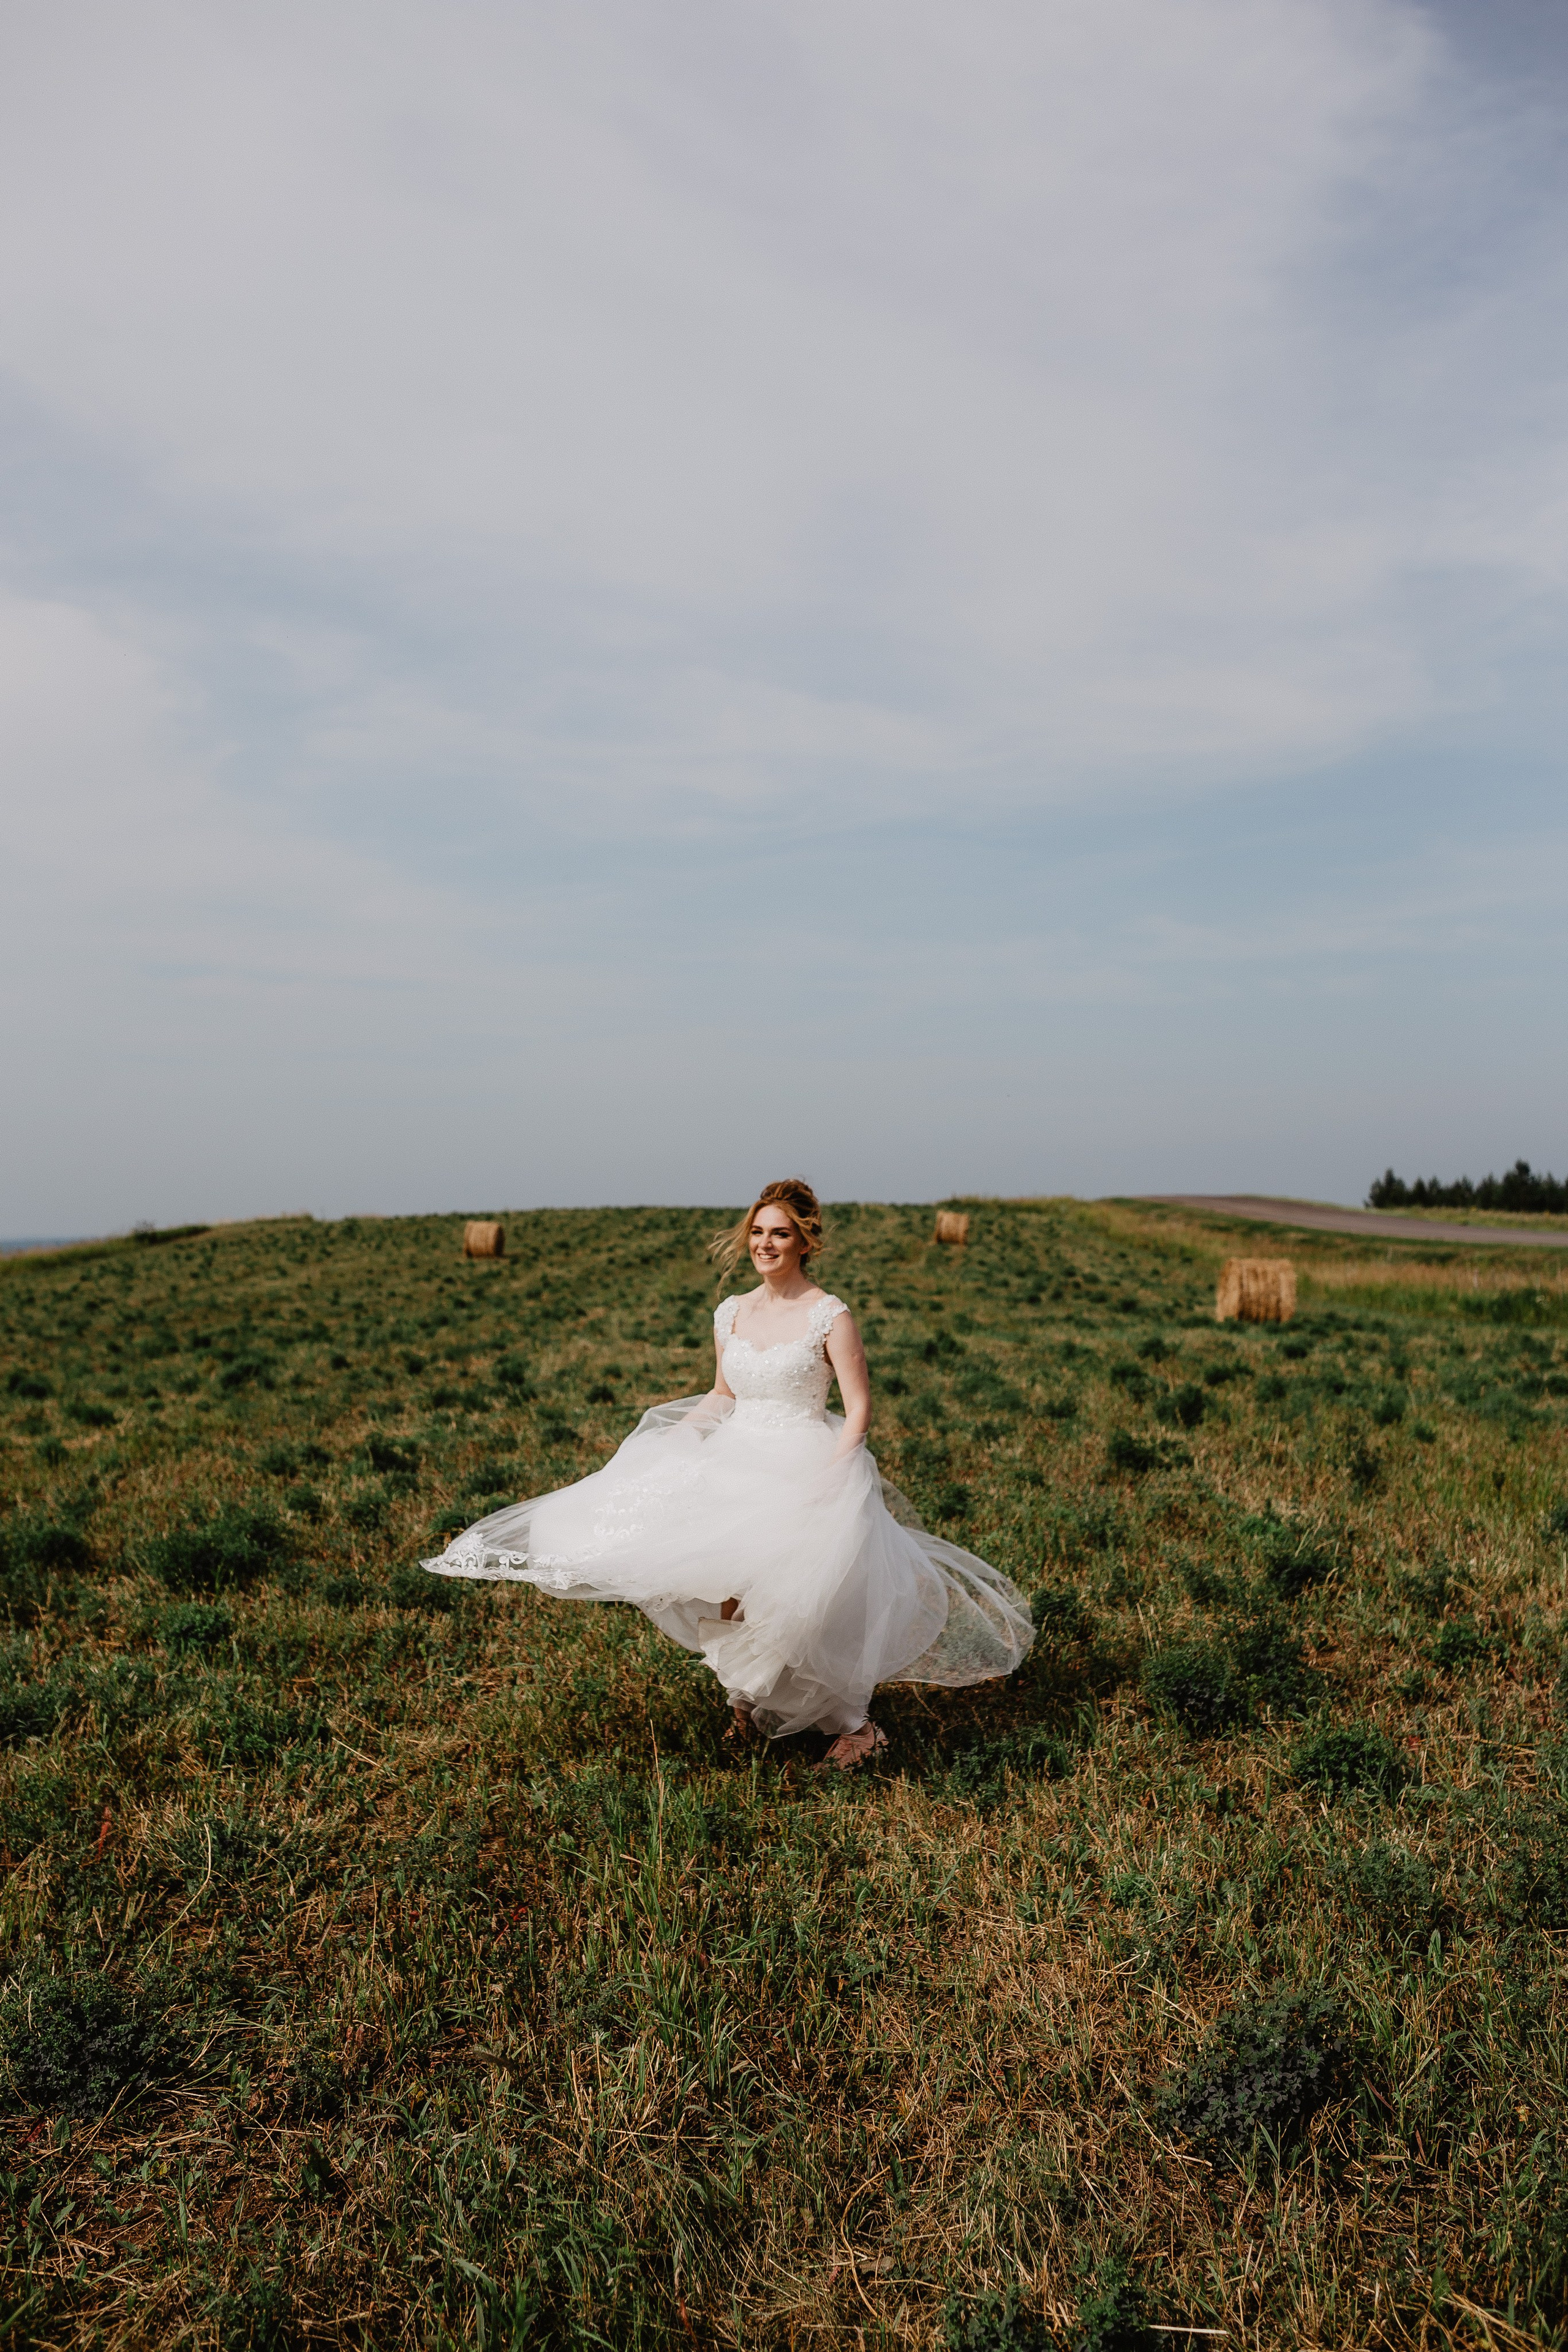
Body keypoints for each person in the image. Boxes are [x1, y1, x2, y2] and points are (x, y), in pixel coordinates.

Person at [424, 1178, 1033, 1767]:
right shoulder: (730, 1313)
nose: (764, 1243)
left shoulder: (830, 1316)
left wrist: (833, 1479)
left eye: (780, 1234)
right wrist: (676, 1442)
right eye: (757, 1232)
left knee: (790, 1603)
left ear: (805, 1243)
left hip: (804, 1459)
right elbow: (722, 1393)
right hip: (739, 1455)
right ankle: (747, 1703)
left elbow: (860, 1410)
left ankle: (857, 1729)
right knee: (721, 1586)